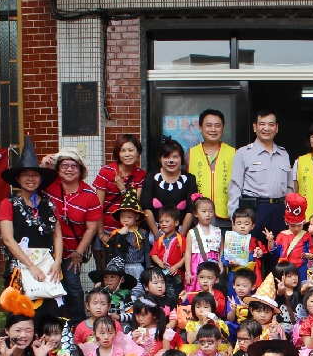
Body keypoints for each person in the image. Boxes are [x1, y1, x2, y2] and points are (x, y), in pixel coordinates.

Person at [0, 135, 64, 317]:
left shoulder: (49, 204)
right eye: (26, 174)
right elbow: (8, 240)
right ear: (18, 178)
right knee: (21, 319)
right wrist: (31, 266)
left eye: (35, 174)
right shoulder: (8, 203)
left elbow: (57, 234)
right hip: (19, 268)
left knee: (50, 318)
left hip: (47, 266)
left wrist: (57, 263)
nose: (30, 178)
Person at [40, 147, 101, 322]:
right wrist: (43, 167)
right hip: (45, 252)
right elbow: (30, 186)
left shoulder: (90, 195)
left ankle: (78, 329)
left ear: (80, 170)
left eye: (74, 165)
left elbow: (91, 228)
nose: (69, 169)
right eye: (64, 165)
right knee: (47, 290)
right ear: (57, 168)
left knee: (73, 289)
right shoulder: (48, 185)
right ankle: (50, 329)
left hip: (71, 253)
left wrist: (78, 254)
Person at [228, 110, 292, 247]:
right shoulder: (243, 153)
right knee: (253, 255)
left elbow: (289, 187)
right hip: (255, 210)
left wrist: (289, 213)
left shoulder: (283, 153)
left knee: (278, 255)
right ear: (254, 127)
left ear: (277, 128)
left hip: (280, 212)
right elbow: (235, 188)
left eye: (271, 124)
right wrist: (235, 219)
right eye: (262, 124)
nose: (266, 128)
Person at [93, 134, 147, 268]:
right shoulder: (106, 172)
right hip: (106, 230)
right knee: (106, 271)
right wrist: (100, 234)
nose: (127, 154)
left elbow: (136, 206)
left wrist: (123, 189)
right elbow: (98, 205)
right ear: (118, 153)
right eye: (123, 150)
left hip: (129, 231)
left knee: (126, 270)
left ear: (138, 152)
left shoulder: (141, 175)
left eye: (131, 150)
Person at [185, 108, 236, 224]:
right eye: (209, 125)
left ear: (223, 128)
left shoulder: (234, 153)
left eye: (217, 125)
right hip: (197, 217)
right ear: (200, 128)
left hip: (227, 216)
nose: (213, 129)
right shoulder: (189, 154)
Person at [147, 138, 199, 237]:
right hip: (156, 232)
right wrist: (157, 236)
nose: (171, 161)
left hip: (182, 232)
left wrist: (180, 237)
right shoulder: (151, 176)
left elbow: (191, 209)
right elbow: (146, 207)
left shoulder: (190, 179)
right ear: (160, 158)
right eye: (166, 157)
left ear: (182, 158)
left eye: (175, 157)